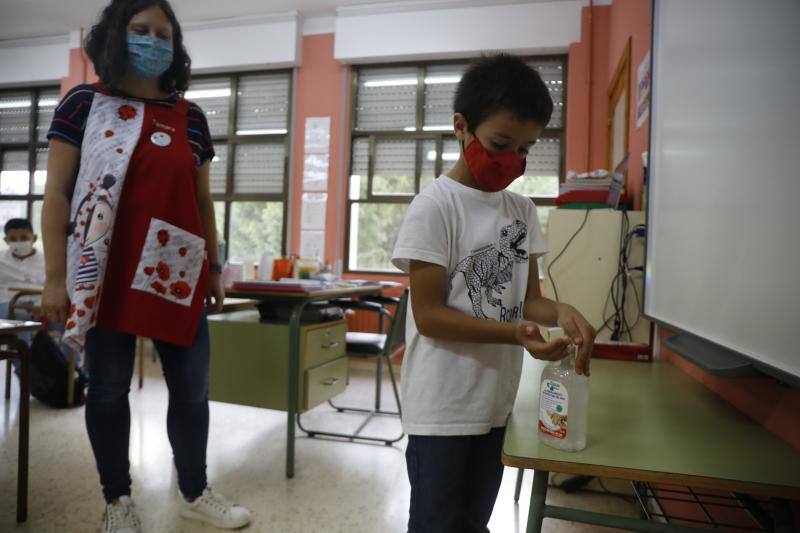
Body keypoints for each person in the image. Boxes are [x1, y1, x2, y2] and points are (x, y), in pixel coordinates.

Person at [41, 1, 251, 531]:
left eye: (163, 33)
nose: (153, 41)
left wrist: (214, 269)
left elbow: (203, 204)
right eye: (140, 30)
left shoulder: (192, 117)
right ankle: (118, 502)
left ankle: (194, 491)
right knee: (107, 388)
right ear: (115, 35)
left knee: (192, 389)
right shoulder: (83, 103)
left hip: (174, 270)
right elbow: (58, 196)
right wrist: (53, 277)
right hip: (103, 268)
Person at [391, 54, 597, 533]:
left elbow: (529, 300)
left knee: (473, 523)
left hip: (494, 403)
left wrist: (562, 311)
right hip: (441, 407)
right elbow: (429, 316)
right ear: (462, 127)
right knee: (436, 524)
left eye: (525, 149)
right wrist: (515, 334)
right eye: (501, 144)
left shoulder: (521, 210)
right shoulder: (434, 207)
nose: (512, 161)